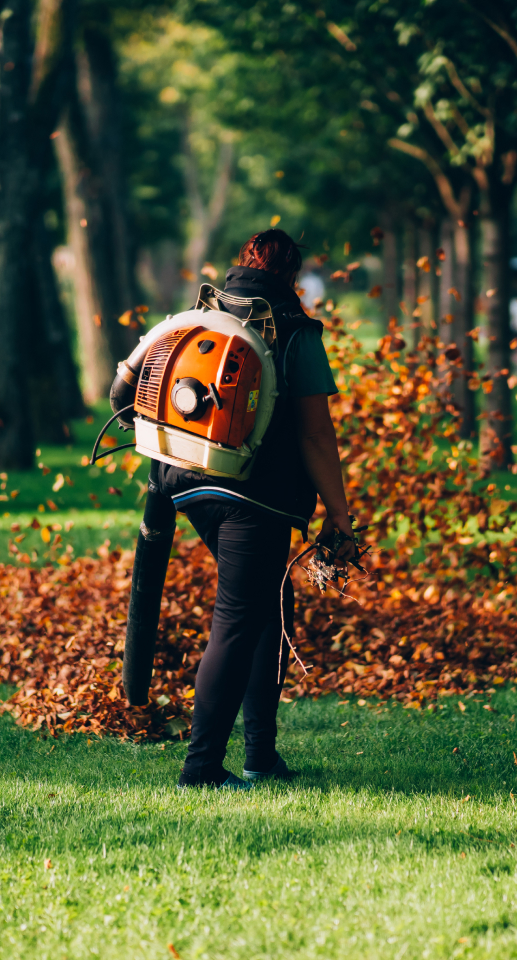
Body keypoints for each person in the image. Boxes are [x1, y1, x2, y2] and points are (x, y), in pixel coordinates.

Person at [157, 229, 357, 789]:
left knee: (270, 603)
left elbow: (130, 393)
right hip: (254, 497)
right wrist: (339, 516)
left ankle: (261, 757)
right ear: (292, 276)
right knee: (239, 620)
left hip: (188, 485)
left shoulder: (201, 318)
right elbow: (316, 435)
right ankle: (200, 769)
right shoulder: (295, 332)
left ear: (241, 265)